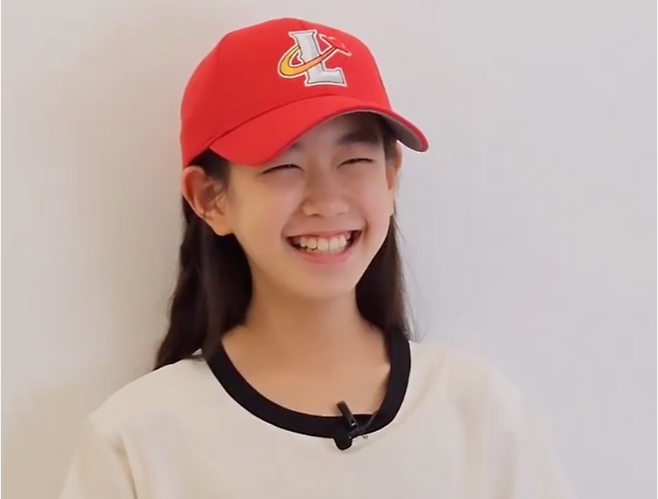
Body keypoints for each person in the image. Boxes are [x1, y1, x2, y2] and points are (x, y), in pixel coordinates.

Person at [59, 17, 578, 499]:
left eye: (353, 160)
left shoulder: (481, 414)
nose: (326, 201)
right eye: (283, 166)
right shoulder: (135, 443)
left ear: (391, 175)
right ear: (210, 199)